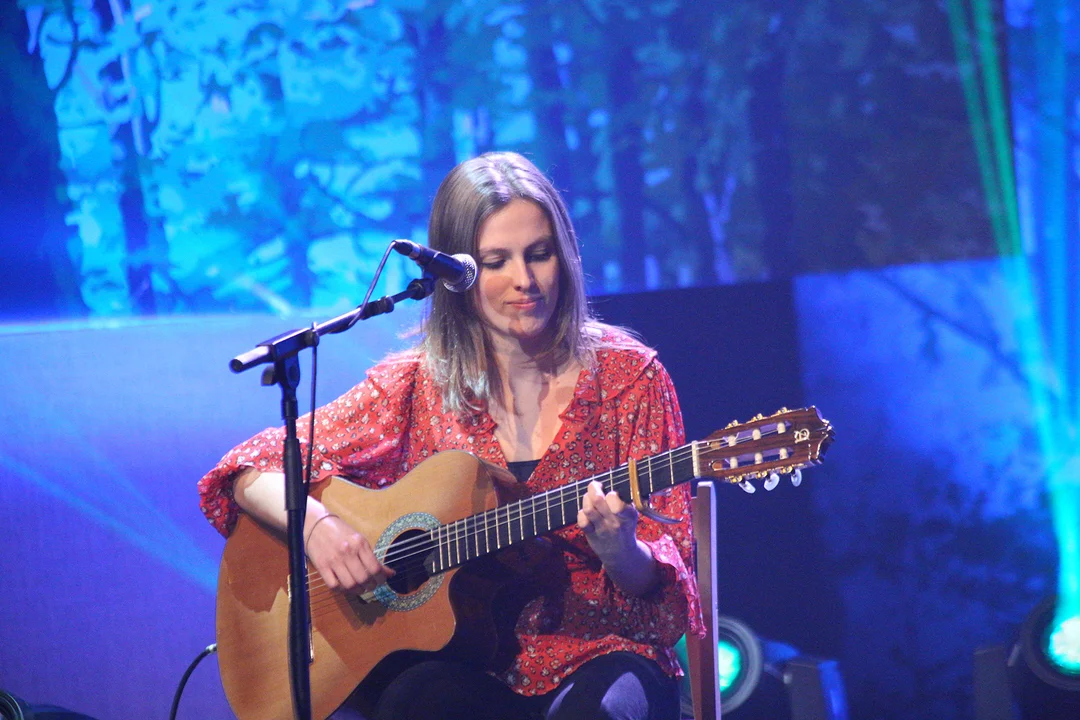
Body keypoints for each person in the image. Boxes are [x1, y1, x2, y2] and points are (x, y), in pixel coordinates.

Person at [198, 151, 702, 720]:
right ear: (456, 276)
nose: (525, 280)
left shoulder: (630, 379)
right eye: (496, 262)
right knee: (413, 702)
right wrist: (319, 528)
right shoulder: (415, 384)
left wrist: (620, 550)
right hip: (470, 664)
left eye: (540, 254)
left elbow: (667, 600)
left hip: (599, 653)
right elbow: (246, 469)